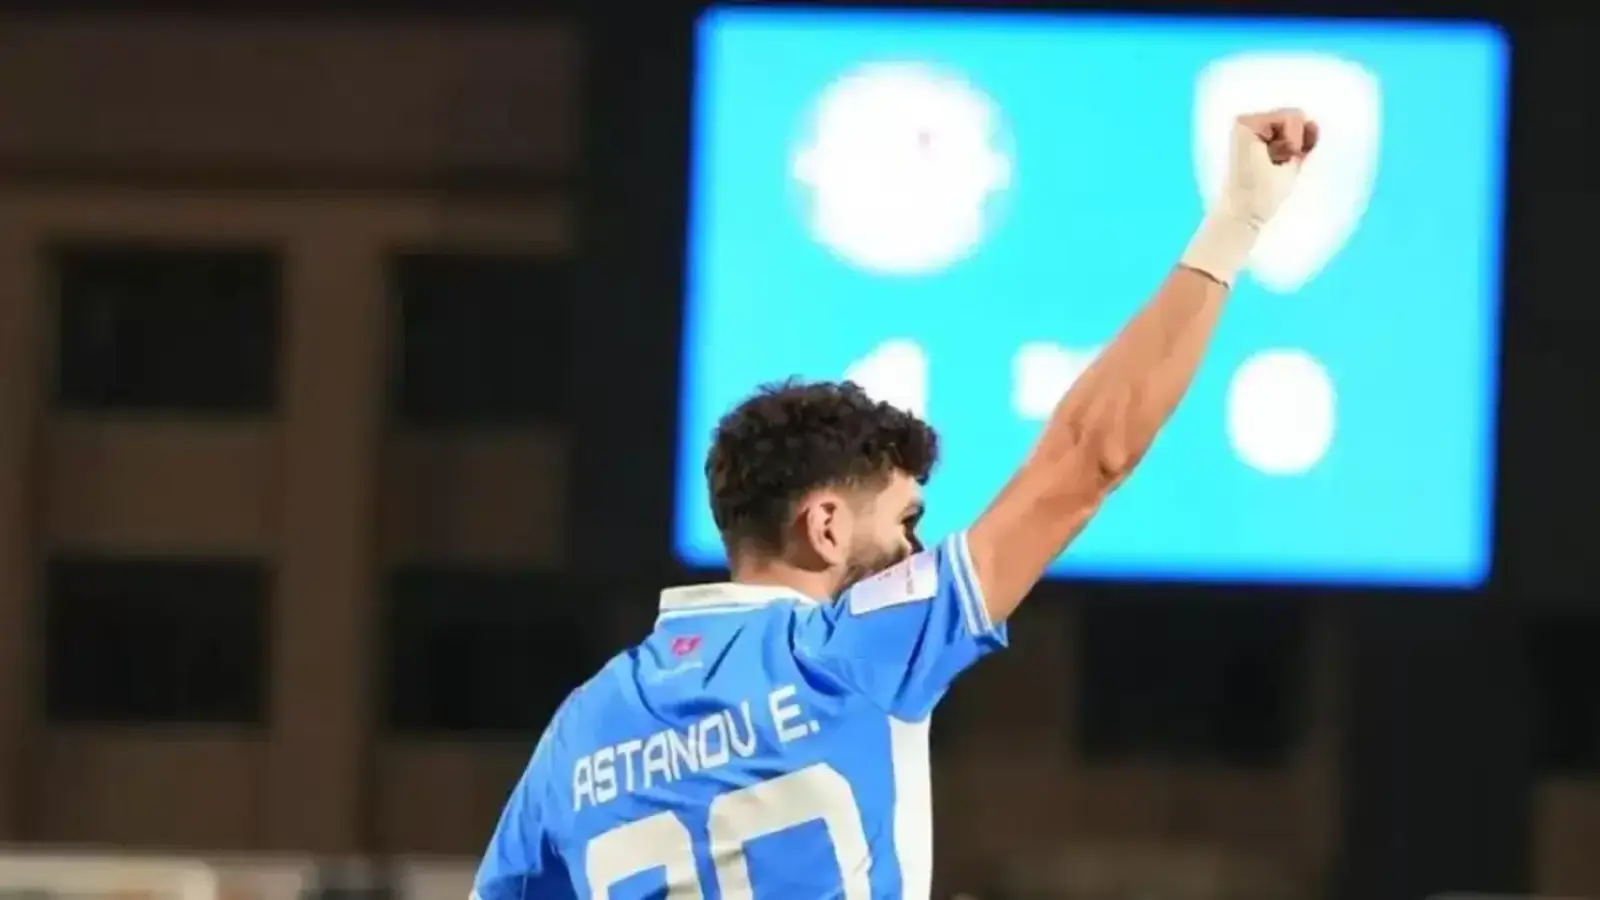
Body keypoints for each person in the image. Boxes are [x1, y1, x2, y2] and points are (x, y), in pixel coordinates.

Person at [474, 107, 1318, 900]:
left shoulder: (582, 727)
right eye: (907, 521)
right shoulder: (848, 653)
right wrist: (1236, 221)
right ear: (825, 525)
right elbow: (1089, 454)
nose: (918, 553)